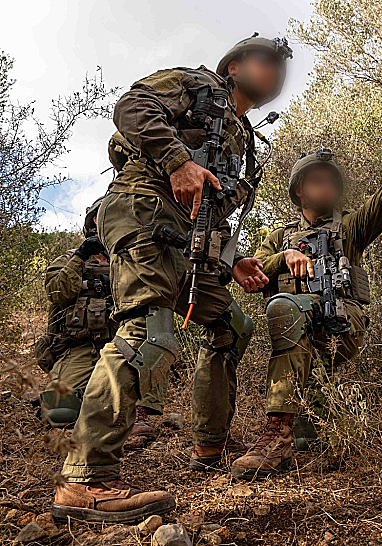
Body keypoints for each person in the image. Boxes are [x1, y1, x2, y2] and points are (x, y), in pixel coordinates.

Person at [52, 34, 292, 524]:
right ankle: (86, 479)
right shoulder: (195, 83)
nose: (276, 70)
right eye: (266, 59)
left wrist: (234, 261)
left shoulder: (241, 134)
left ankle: (209, 443)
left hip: (191, 244)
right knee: (149, 334)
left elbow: (213, 210)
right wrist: (176, 159)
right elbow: (132, 105)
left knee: (232, 326)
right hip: (145, 211)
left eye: (282, 66)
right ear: (234, 65)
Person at [230, 120, 382, 480]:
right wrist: (284, 257)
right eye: (316, 180)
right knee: (313, 431)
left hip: (343, 323)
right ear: (299, 190)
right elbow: (252, 276)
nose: (326, 186)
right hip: (295, 328)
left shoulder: (348, 227)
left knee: (288, 318)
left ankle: (276, 435)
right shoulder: (277, 236)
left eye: (331, 181)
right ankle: (302, 438)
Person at [36, 197, 166, 446]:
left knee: (157, 335)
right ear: (93, 222)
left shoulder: (131, 260)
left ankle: (139, 414)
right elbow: (57, 292)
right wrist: (81, 256)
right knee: (60, 413)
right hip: (79, 347)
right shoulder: (69, 260)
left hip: (122, 345)